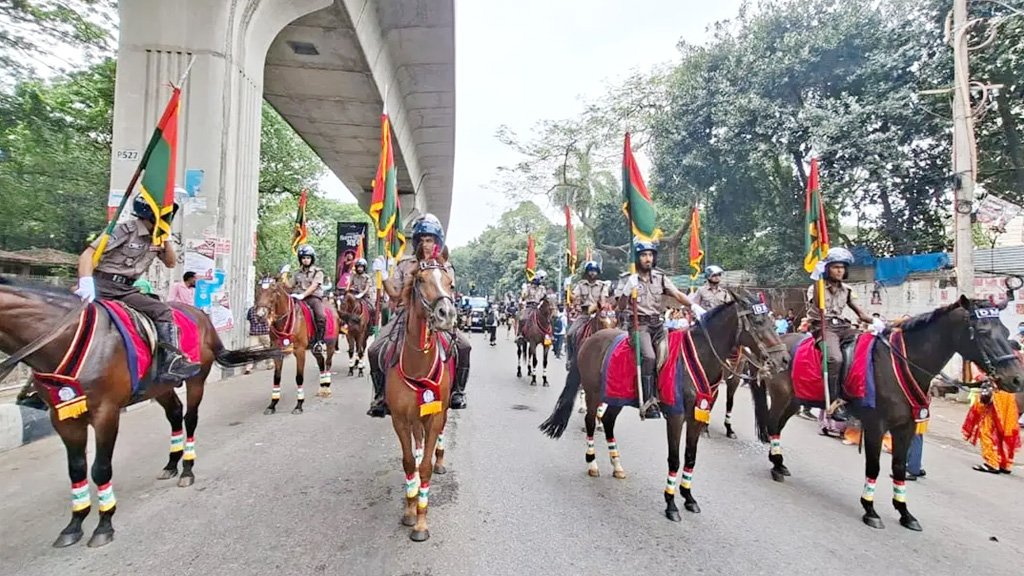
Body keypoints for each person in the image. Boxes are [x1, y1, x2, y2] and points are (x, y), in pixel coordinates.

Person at [73, 194, 200, 384]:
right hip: (102, 285)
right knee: (62, 315)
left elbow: (171, 263)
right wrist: (85, 282)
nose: (168, 219)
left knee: (162, 310)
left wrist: (165, 238)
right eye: (165, 215)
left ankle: (170, 362)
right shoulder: (124, 230)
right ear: (151, 213)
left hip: (126, 290)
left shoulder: (157, 238)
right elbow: (89, 253)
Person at [366, 214, 471, 416]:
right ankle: (381, 397)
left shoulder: (444, 266)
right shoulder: (405, 264)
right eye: (421, 240)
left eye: (430, 240)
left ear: (437, 242)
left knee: (464, 346)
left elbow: (446, 294)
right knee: (374, 349)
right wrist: (385, 276)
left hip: (436, 317)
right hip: (406, 316)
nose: (425, 244)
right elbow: (395, 294)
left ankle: (457, 391)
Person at [615, 238, 707, 419]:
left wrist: (694, 307)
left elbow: (677, 294)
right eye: (643, 255)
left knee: (674, 354)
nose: (647, 259)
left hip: (658, 325)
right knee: (649, 356)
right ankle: (648, 401)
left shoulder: (660, 278)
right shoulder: (628, 279)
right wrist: (627, 290)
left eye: (650, 255)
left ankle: (668, 394)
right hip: (639, 326)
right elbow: (620, 306)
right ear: (637, 258)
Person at [806, 247, 882, 421]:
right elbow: (818, 305)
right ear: (827, 269)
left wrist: (877, 322)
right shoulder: (815, 287)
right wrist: (817, 278)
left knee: (868, 345)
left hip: (842, 326)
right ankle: (833, 401)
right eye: (835, 267)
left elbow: (861, 314)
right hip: (822, 326)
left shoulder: (847, 290)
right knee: (835, 359)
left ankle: (859, 392)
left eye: (842, 267)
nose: (840, 270)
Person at [962, 359, 1021, 474]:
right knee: (1004, 430)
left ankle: (992, 463)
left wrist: (979, 376)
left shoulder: (987, 356)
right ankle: (1005, 463)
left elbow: (979, 376)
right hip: (1008, 396)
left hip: (995, 396)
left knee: (986, 429)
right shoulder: (1009, 357)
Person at [288, 244, 328, 354]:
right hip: (297, 297)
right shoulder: (296, 272)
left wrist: (304, 295)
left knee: (321, 315)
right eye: (303, 258)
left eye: (308, 258)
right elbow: (289, 285)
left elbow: (314, 286)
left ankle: (319, 341)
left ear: (312, 259)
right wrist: (283, 275)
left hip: (313, 297)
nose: (306, 260)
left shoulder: (318, 272)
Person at [566, 260, 610, 344]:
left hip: (598, 314)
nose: (592, 273)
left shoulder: (602, 286)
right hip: (584, 314)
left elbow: (603, 301)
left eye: (595, 271)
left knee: (610, 333)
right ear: (587, 272)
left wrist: (598, 308)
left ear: (598, 273)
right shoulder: (581, 285)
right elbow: (574, 297)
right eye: (590, 271)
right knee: (570, 334)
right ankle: (571, 356)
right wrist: (567, 289)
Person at [346, 257, 377, 323]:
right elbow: (349, 285)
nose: (359, 269)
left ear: (364, 268)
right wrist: (347, 290)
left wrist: (361, 294)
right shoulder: (353, 276)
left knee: (372, 308)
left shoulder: (367, 277)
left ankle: (372, 324)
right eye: (358, 267)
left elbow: (367, 288)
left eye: (361, 267)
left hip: (364, 296)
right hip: (354, 295)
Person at [245, 304, 273, 373]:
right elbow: (270, 319)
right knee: (268, 348)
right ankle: (270, 363)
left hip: (254, 333)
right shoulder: (266, 309)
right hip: (264, 333)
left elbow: (249, 319)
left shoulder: (251, 310)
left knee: (252, 350)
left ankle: (248, 367)